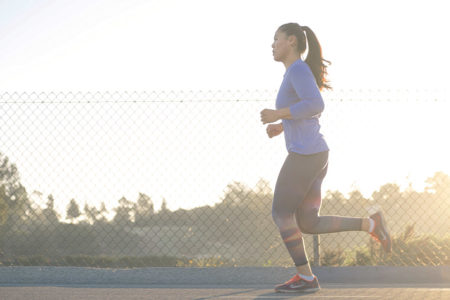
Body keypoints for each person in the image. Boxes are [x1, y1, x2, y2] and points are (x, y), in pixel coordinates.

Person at [260, 23, 391, 293]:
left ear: (292, 41)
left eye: (276, 39)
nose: (272, 45)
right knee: (307, 222)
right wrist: (282, 126)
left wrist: (278, 114)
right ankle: (372, 224)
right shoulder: (294, 72)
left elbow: (316, 104)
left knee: (281, 212)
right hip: (315, 154)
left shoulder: (297, 69)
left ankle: (306, 278)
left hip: (306, 155)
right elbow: (307, 110)